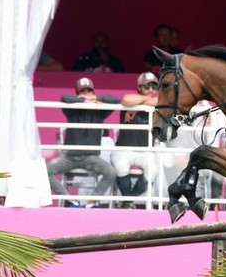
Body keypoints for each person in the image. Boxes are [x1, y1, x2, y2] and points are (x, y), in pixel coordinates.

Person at [47, 77, 118, 208]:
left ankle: (92, 201)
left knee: (111, 172)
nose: (86, 94)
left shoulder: (99, 110)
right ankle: (69, 199)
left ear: (93, 92)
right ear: (78, 94)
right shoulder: (72, 109)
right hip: (69, 157)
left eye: (89, 91)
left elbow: (114, 100)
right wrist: (85, 101)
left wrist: (96, 100)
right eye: (83, 91)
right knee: (46, 170)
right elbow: (64, 98)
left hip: (91, 158)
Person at [111, 72, 157, 207]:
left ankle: (127, 201)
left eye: (154, 87)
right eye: (147, 87)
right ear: (139, 88)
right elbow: (126, 99)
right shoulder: (130, 102)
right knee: (120, 166)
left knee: (154, 170)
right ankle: (128, 202)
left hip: (146, 151)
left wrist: (141, 105)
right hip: (124, 149)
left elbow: (161, 101)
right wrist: (141, 104)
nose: (151, 90)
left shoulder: (156, 104)